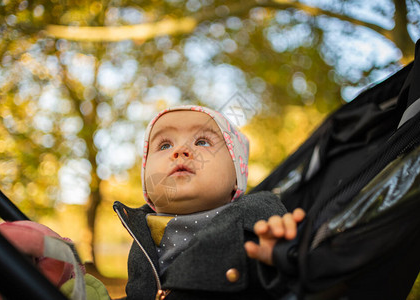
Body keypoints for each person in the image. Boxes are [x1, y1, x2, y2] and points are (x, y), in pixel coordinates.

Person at [113, 105, 305, 300]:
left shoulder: (259, 228)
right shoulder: (142, 236)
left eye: (202, 142)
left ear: (236, 177)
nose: (181, 150)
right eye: (165, 146)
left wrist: (279, 264)